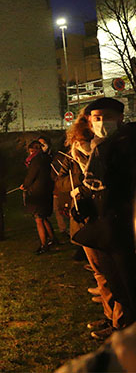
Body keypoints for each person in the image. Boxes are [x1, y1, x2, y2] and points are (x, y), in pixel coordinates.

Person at [72, 97, 136, 339]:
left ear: (120, 118)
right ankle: (122, 328)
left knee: (129, 286)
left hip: (124, 227)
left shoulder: (126, 144)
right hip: (106, 227)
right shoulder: (96, 146)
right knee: (117, 285)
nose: (101, 123)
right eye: (96, 118)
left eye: (107, 118)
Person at [21, 140, 56, 254]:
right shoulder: (46, 158)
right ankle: (53, 238)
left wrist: (25, 185)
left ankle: (44, 245)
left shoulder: (36, 161)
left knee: (39, 219)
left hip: (38, 192)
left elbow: (31, 175)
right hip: (46, 191)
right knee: (43, 217)